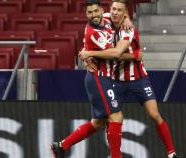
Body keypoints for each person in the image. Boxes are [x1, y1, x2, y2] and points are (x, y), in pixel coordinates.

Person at [79, 1, 179, 158]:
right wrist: (85, 51)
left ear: (125, 12)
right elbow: (92, 29)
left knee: (154, 114)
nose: (115, 13)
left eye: (119, 10)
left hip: (138, 78)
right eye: (113, 9)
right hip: (116, 79)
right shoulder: (105, 18)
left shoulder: (128, 29)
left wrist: (90, 53)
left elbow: (117, 53)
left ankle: (171, 153)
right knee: (104, 120)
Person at [50, 1, 128, 158]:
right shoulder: (92, 32)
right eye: (90, 13)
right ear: (86, 15)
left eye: (96, 11)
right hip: (99, 78)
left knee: (98, 123)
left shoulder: (106, 18)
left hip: (103, 78)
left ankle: (62, 146)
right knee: (116, 116)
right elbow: (114, 53)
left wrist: (126, 18)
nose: (94, 15)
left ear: (101, 10)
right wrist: (88, 53)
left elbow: (120, 14)